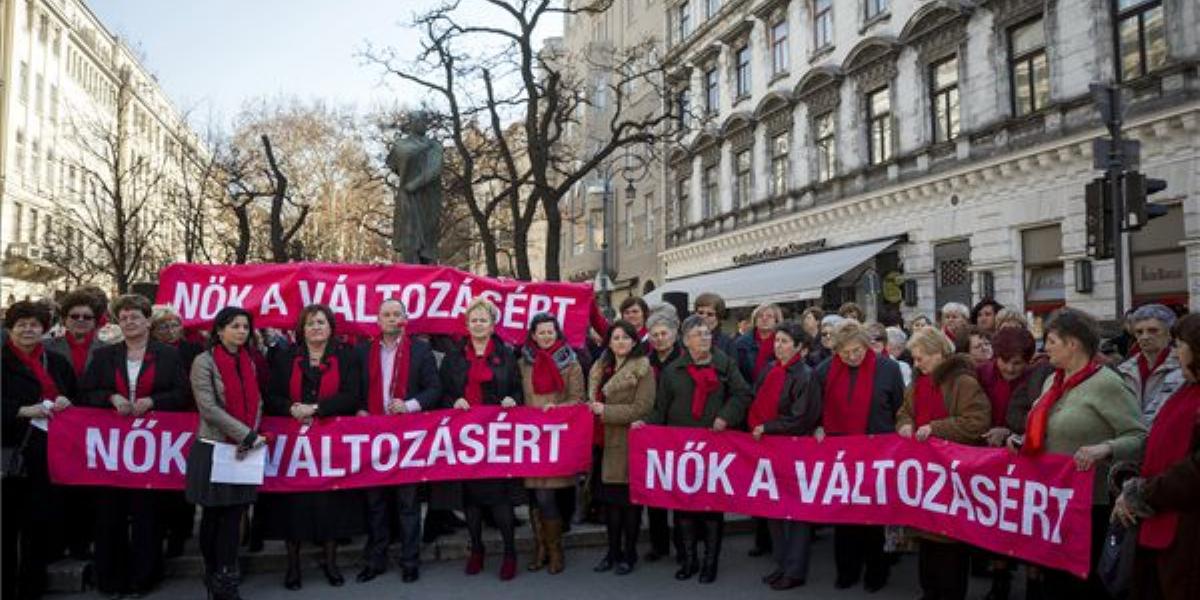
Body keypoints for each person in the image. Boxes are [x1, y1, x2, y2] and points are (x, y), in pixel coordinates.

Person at [1005, 308, 1146, 597]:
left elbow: (1140, 437)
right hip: (1052, 502)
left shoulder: (1107, 383)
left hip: (1091, 504)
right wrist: (1022, 441)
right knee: (1054, 582)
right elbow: (1045, 431)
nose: (1046, 348)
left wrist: (1105, 448)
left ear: (1074, 344)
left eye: (1052, 341)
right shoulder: (1051, 382)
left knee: (1082, 586)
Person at [82, 294, 187, 597]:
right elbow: (87, 393)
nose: (129, 322)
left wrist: (153, 401)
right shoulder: (104, 356)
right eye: (124, 317)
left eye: (135, 317)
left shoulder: (167, 355)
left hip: (151, 448)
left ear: (147, 321)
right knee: (109, 514)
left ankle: (145, 576)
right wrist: (111, 398)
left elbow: (181, 394)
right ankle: (111, 578)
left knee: (147, 514)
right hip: (112, 449)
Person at [637, 315, 751, 584]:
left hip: (714, 447)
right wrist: (645, 424)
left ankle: (710, 563)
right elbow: (661, 410)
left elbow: (743, 394)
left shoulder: (724, 363)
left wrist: (726, 416)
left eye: (707, 334)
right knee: (684, 507)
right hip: (681, 449)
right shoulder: (672, 371)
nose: (705, 338)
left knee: (711, 507)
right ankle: (689, 560)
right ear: (685, 340)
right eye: (698, 334)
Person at [262, 304, 365, 590]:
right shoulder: (284, 357)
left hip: (330, 443)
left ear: (331, 327)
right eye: (310, 323)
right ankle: (293, 566)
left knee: (330, 505)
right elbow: (270, 395)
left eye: (321, 322)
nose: (316, 327)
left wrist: (317, 408)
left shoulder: (346, 356)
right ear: (301, 329)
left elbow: (352, 394)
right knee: (293, 506)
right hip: (293, 444)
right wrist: (291, 408)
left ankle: (331, 563)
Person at [896, 328, 991, 600]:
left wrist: (935, 428)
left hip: (953, 476)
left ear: (938, 354)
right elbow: (904, 412)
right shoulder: (917, 384)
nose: (916, 364)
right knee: (926, 541)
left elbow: (976, 422)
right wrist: (905, 424)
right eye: (914, 359)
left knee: (950, 543)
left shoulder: (964, 383)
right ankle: (930, 592)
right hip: (926, 476)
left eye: (920, 358)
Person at [1112, 313, 1200, 600]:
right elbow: (1160, 444)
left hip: (1187, 534)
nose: (1176, 353)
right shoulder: (1186, 388)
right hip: (1158, 527)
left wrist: (1142, 494)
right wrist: (1131, 481)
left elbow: (1194, 470)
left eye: (1180, 345)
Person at [813, 319, 906, 592]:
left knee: (874, 516)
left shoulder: (888, 369)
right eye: (846, 352)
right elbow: (817, 407)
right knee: (844, 516)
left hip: (878, 452)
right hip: (841, 455)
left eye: (858, 351)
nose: (852, 357)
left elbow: (899, 407)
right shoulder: (824, 370)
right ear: (836, 351)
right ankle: (847, 570)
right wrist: (818, 426)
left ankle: (876, 572)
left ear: (867, 346)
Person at [184, 307, 270, 600]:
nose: (242, 331)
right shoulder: (203, 362)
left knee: (235, 516)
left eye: (246, 327)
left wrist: (250, 433)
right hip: (214, 448)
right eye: (235, 326)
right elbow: (208, 408)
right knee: (214, 515)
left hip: (243, 447)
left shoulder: (249, 361)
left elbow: (257, 401)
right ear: (219, 331)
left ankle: (226, 574)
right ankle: (212, 573)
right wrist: (244, 433)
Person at [355, 299, 442, 584]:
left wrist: (410, 405)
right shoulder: (363, 350)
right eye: (386, 315)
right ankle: (375, 559)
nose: (392, 319)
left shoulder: (420, 349)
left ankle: (409, 561)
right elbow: (354, 388)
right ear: (378, 320)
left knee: (408, 502)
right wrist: (360, 408)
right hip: (372, 435)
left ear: (405, 319)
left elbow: (434, 389)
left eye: (397, 314)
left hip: (407, 437)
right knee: (375, 502)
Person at [439, 297, 524, 581]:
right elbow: (442, 392)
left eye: (483, 320)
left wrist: (513, 398)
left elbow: (517, 388)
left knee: (499, 499)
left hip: (496, 436)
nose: (478, 324)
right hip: (465, 435)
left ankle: (510, 553)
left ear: (492, 324)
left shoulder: (506, 354)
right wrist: (455, 400)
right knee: (471, 501)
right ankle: (476, 549)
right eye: (473, 320)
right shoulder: (454, 357)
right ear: (467, 324)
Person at [2, 301, 76, 600]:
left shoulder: (56, 362)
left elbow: (74, 395)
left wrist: (66, 402)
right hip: (9, 452)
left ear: (44, 328)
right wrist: (22, 410)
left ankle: (32, 587)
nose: (28, 330)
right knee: (6, 528)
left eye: (34, 325)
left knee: (37, 526)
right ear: (11, 328)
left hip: (47, 455)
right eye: (22, 324)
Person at [749, 322, 822, 591]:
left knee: (796, 515)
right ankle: (782, 564)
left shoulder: (806, 375)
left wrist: (768, 427)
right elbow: (756, 400)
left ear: (800, 347)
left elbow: (802, 418)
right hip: (768, 448)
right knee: (774, 510)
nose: (778, 345)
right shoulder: (770, 370)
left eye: (785, 341)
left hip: (793, 450)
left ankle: (795, 570)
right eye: (777, 340)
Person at [518, 312, 584, 575]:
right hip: (530, 439)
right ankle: (541, 548)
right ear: (533, 335)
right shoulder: (523, 362)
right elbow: (519, 393)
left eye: (550, 331)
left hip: (557, 436)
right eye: (540, 332)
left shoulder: (571, 363)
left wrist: (556, 408)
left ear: (557, 333)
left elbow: (578, 399)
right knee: (535, 497)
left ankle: (555, 551)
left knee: (547, 496)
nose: (545, 336)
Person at [588, 320, 655, 576]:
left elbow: (643, 408)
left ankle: (629, 553)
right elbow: (590, 400)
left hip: (627, 444)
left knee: (629, 505)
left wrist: (606, 412)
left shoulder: (643, 368)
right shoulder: (599, 366)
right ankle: (612, 551)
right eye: (615, 337)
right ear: (609, 341)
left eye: (626, 338)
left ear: (635, 341)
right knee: (609, 504)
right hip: (602, 443)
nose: (620, 342)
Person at [149, 304, 204, 558]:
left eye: (175, 325)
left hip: (188, 420)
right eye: (163, 326)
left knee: (184, 477)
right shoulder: (148, 353)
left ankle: (181, 532)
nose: (171, 331)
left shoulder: (194, 350)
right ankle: (160, 529)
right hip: (158, 421)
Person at [643, 309, 685, 564]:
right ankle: (659, 545)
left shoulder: (686, 357)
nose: (659, 339)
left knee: (680, 494)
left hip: (679, 432)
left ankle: (683, 545)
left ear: (674, 334)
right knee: (655, 492)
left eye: (663, 334)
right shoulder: (645, 361)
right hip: (653, 432)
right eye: (654, 334)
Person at [1117, 304, 1184, 426]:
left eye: (1153, 331)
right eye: (1139, 332)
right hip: (1132, 439)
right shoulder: (1123, 370)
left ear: (1169, 334)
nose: (1145, 337)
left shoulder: (1184, 368)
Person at [736, 303, 783, 386]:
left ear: (776, 321)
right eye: (760, 316)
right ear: (755, 320)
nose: (764, 319)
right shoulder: (741, 343)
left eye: (769, 316)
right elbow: (737, 373)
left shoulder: (784, 343)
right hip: (748, 391)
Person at [694, 293, 737, 359]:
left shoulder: (727, 342)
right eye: (700, 312)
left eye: (710, 314)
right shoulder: (687, 338)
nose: (704, 316)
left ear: (718, 317)